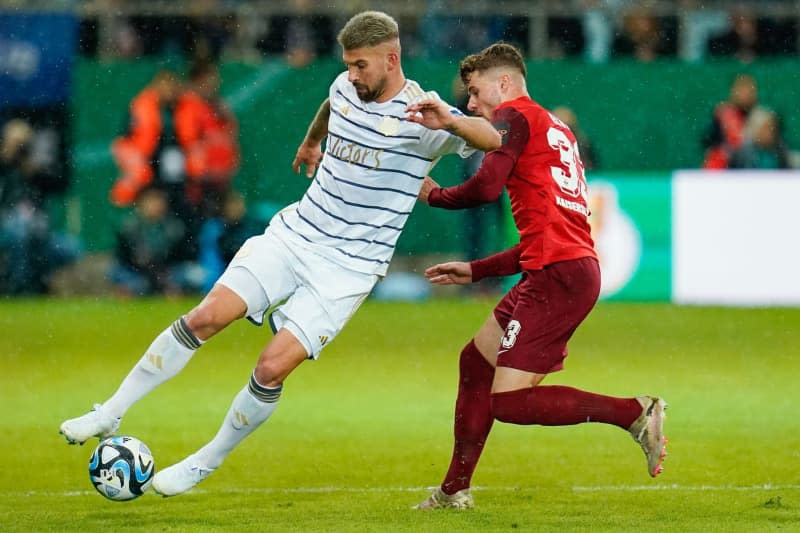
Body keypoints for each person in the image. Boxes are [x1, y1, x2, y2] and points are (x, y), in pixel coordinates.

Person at [59, 11, 501, 497]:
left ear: (391, 58)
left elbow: (493, 139)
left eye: (361, 66)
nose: (352, 76)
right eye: (348, 65)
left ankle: (206, 460)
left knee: (271, 366)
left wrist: (454, 124)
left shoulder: (426, 115)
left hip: (349, 269)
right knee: (205, 317)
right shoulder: (344, 88)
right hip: (295, 235)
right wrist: (312, 141)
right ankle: (110, 411)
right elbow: (330, 105)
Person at [407, 43, 668, 510]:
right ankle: (453, 490)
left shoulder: (516, 117)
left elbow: (485, 187)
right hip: (558, 268)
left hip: (558, 276)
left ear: (504, 84)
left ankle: (634, 412)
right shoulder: (554, 128)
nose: (471, 103)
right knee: (475, 363)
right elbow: (541, 239)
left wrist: (435, 196)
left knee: (509, 403)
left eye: (474, 90)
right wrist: (477, 269)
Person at [701, 74, 765, 169]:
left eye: (748, 90)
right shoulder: (722, 114)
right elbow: (707, 140)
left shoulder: (764, 117)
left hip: (757, 163)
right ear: (733, 92)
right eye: (741, 90)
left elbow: (778, 147)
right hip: (728, 165)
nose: (745, 94)